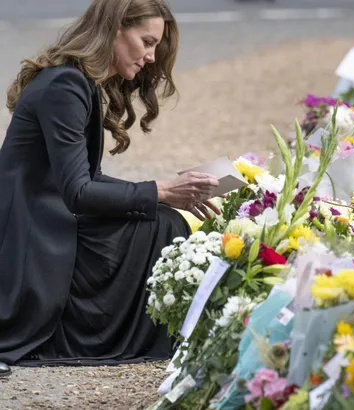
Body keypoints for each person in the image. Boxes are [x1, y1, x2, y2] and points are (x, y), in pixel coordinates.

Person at [0, 0, 221, 377]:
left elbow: (85, 180)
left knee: (162, 218)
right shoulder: (66, 85)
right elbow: (79, 193)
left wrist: (165, 193)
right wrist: (161, 190)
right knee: (163, 226)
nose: (151, 57)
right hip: (32, 235)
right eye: (147, 41)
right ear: (115, 28)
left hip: (43, 219)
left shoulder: (74, 80)